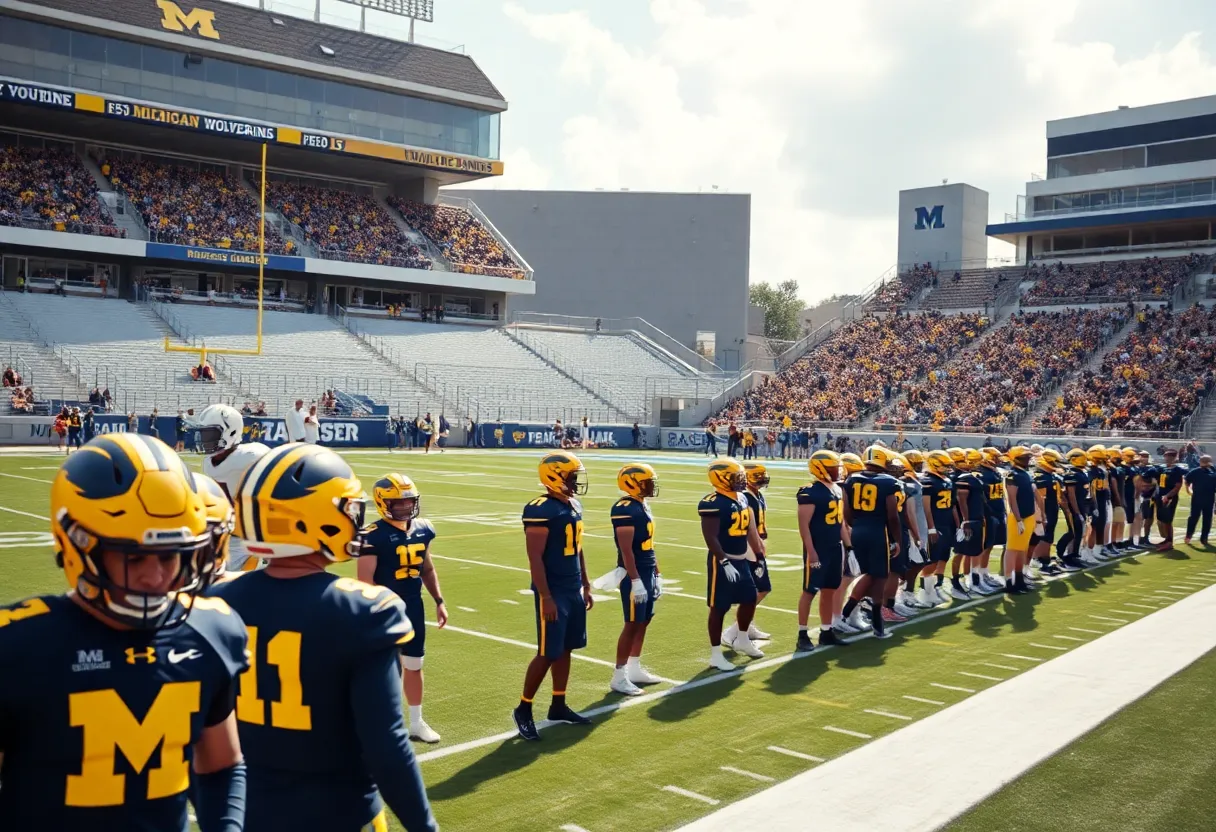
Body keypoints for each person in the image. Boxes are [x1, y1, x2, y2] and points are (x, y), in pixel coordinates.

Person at [0, 433, 248, 831]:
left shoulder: (212, 628)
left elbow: (222, 765)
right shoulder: (17, 647)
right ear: (77, 544)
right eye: (134, 557)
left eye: (170, 555)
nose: (156, 577)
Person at [212, 443, 438, 832]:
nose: (356, 518)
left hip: (252, 812)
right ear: (314, 517)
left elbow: (203, 741)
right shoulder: (363, 610)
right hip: (339, 810)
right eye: (349, 510)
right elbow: (386, 746)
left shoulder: (214, 601)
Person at [358, 474, 448, 744]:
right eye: (399, 503)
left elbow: (427, 568)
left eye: (409, 501)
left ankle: (416, 722)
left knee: (414, 664)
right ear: (383, 503)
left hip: (413, 605)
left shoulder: (423, 528)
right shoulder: (372, 536)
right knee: (384, 668)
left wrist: (439, 600)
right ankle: (380, 722)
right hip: (384, 608)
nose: (406, 507)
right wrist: (383, 608)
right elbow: (365, 581)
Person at [513, 452, 594, 742]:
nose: (575, 482)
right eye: (571, 476)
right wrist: (545, 595)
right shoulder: (540, 509)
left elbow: (578, 547)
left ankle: (558, 705)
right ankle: (523, 709)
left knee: (567, 648)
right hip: (554, 590)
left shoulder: (572, 504)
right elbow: (534, 557)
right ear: (554, 476)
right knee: (548, 652)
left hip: (572, 587)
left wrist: (585, 582)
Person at [700, 459, 765, 669]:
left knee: (749, 598)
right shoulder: (713, 502)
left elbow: (749, 529)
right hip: (723, 561)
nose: (740, 480)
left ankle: (743, 639)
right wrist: (723, 561)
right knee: (719, 607)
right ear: (720, 478)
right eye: (735, 476)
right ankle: (716, 654)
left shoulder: (742, 498)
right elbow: (710, 537)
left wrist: (759, 555)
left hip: (742, 559)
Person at [608, 463, 663, 696]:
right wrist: (636, 579)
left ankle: (634, 667)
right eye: (647, 481)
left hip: (647, 569)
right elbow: (626, 550)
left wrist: (657, 573)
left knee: (644, 620)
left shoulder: (642, 505)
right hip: (634, 573)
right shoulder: (625, 508)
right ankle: (619, 676)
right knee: (631, 623)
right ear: (633, 482)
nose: (652, 486)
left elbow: (648, 545)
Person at [197, 403, 270, 574]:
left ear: (230, 431)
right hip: (230, 534)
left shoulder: (253, 456)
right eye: (203, 434)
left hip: (254, 536)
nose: (204, 440)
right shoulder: (210, 463)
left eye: (210, 434)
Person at [841, 446, 903, 639]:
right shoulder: (888, 482)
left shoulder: (852, 479)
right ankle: (868, 621)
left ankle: (858, 618)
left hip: (859, 529)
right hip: (878, 532)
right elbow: (892, 516)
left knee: (871, 575)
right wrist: (897, 539)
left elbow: (847, 512)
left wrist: (858, 525)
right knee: (879, 576)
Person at [795, 450, 849, 651]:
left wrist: (849, 546)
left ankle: (826, 631)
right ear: (821, 468)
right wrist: (811, 552)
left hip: (835, 547)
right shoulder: (810, 492)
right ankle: (802, 633)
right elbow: (804, 526)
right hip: (818, 548)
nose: (838, 471)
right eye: (834, 467)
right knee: (810, 590)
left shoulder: (836, 489)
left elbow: (840, 521)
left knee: (830, 589)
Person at [723, 462, 771, 648]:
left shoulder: (756, 495)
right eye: (757, 476)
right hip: (749, 547)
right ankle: (734, 630)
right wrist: (757, 547)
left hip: (756, 544)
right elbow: (749, 528)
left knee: (757, 589)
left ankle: (747, 625)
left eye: (762, 475)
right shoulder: (746, 498)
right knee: (760, 589)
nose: (761, 479)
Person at [1003, 446, 1038, 594]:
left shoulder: (1026, 473)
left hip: (1028, 516)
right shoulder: (1013, 474)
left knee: (1022, 549)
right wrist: (1018, 519)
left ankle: (1019, 579)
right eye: (1024, 457)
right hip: (1018, 517)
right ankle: (1009, 582)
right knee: (1012, 550)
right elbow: (1012, 499)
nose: (1028, 460)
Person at [1153, 449, 1187, 551]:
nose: (1168, 458)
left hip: (1169, 498)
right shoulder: (1161, 468)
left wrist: (1167, 496)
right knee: (1161, 519)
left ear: (1174, 458)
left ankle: (1169, 542)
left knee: (1167, 520)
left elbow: (1177, 486)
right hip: (1160, 496)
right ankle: (1166, 539)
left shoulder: (1176, 470)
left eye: (1170, 456)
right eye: (1166, 456)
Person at [1185, 455, 1216, 544]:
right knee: (1195, 517)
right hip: (1198, 497)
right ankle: (1190, 535)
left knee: (1205, 518)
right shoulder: (1196, 471)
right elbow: (1187, 481)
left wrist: (1188, 490)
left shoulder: (1213, 471)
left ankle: (1203, 537)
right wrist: (1189, 491)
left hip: (1209, 498)